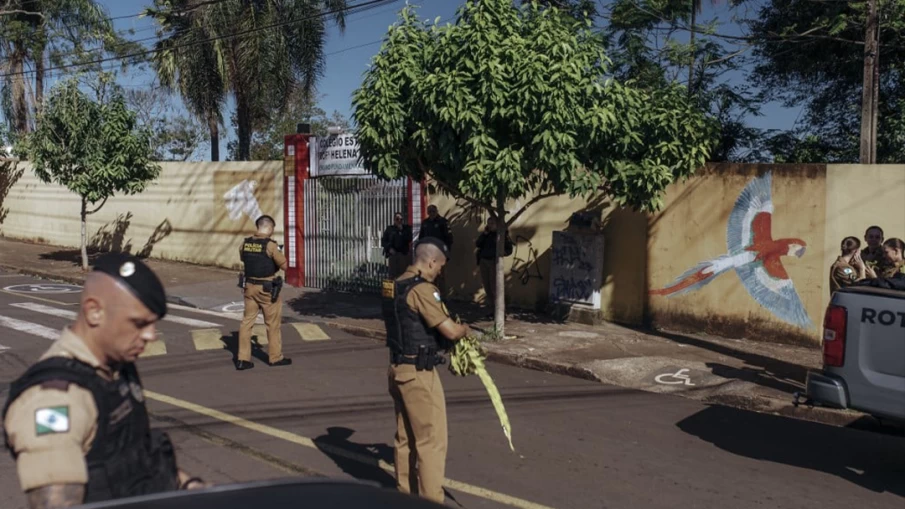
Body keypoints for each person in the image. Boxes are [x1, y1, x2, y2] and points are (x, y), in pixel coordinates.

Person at [2, 253, 207, 509]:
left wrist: (192, 488)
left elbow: (139, 461)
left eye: (153, 324)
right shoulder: (54, 400)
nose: (151, 335)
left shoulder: (118, 367)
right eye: (139, 323)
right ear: (94, 311)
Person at [381, 238, 469, 504]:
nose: (439, 272)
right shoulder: (422, 290)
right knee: (430, 444)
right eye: (439, 266)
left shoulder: (391, 285)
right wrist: (465, 329)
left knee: (404, 439)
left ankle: (405, 497)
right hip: (419, 374)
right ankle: (430, 502)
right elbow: (450, 331)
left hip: (397, 369)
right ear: (431, 261)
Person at [237, 214, 290, 370]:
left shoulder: (245, 244)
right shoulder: (271, 245)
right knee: (272, 324)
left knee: (247, 323)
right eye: (272, 228)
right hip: (266, 290)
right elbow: (285, 265)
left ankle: (242, 359)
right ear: (269, 227)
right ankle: (275, 358)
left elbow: (245, 259)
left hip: (249, 287)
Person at [475, 216, 513, 309]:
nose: (490, 225)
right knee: (487, 286)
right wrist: (484, 234)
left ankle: (500, 311)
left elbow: (509, 249)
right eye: (488, 223)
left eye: (492, 223)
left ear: (497, 224)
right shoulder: (486, 234)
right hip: (484, 261)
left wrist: (501, 254)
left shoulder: (502, 234)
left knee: (494, 287)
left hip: (493, 262)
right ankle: (492, 309)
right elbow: (478, 244)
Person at [418, 205, 453, 294]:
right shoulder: (425, 223)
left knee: (440, 277)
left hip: (439, 255)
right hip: (428, 255)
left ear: (437, 211)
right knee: (429, 276)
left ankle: (442, 298)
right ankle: (431, 298)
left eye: (433, 211)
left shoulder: (443, 222)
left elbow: (449, 240)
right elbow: (421, 238)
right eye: (429, 211)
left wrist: (446, 254)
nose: (432, 213)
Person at [381, 212, 413, 279]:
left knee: (403, 275)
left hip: (403, 255)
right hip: (393, 255)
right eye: (397, 219)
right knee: (392, 275)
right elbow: (383, 241)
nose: (399, 221)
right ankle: (394, 289)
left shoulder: (407, 228)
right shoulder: (390, 229)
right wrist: (389, 248)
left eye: (401, 219)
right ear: (394, 220)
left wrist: (401, 230)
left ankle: (402, 288)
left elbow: (409, 239)